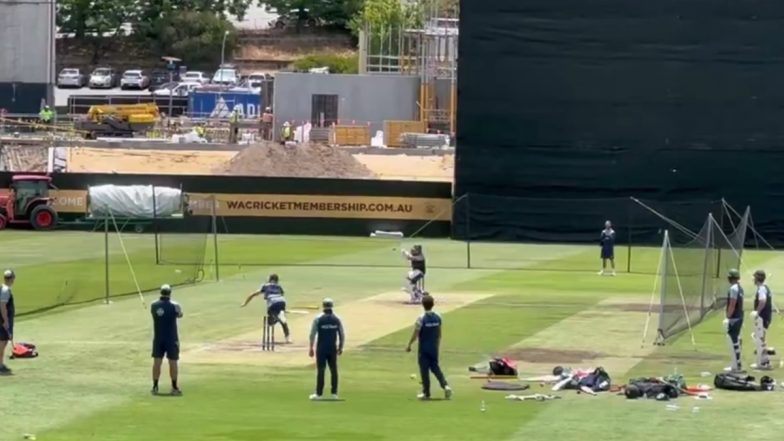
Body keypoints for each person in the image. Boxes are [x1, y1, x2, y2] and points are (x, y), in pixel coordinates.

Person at [406, 294, 452, 400]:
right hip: (434, 347)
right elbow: (439, 333)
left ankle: (426, 393)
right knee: (435, 367)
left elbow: (416, 334)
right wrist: (438, 345)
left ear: (423, 305)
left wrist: (409, 344)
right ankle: (445, 385)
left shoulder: (421, 318)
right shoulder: (438, 317)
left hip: (424, 348)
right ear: (433, 304)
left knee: (424, 370)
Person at [309, 298, 344, 400]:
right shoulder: (337, 319)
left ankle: (319, 394)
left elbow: (312, 334)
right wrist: (341, 346)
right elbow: (341, 334)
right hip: (332, 348)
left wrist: (311, 347)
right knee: (334, 370)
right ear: (332, 306)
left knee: (321, 370)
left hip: (321, 348)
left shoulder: (318, 318)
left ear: (323, 306)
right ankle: (334, 394)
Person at [150, 284, 183, 396]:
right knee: (173, 362)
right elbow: (180, 315)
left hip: (158, 338)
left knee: (156, 362)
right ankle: (174, 387)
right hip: (171, 338)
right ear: (170, 293)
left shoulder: (154, 305)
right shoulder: (175, 306)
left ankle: (155, 386)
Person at [241, 273, 291, 344]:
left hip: (273, 303)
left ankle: (278, 317)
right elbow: (281, 296)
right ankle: (288, 337)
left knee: (270, 322)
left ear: (270, 279)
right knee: (282, 321)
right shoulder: (279, 286)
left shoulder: (265, 285)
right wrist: (283, 309)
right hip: (282, 302)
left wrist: (245, 303)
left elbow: (253, 294)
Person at [751, 269, 774, 370]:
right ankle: (764, 361)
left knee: (759, 338)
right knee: (760, 338)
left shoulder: (761, 289)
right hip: (766, 317)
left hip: (762, 317)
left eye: (754, 277)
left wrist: (757, 312)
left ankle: (764, 363)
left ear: (757, 278)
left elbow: (763, 300)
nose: (753, 279)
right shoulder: (765, 288)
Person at [724, 269, 744, 372]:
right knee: (736, 341)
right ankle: (737, 364)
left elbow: (732, 304)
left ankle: (735, 366)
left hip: (734, 318)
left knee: (732, 341)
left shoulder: (733, 289)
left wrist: (728, 317)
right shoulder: (740, 288)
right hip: (739, 316)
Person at [0, 270, 16, 376]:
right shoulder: (5, 290)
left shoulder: (3, 288)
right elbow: (2, 306)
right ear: (12, 279)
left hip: (3, 320)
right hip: (3, 321)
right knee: (2, 342)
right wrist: (5, 321)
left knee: (3, 342)